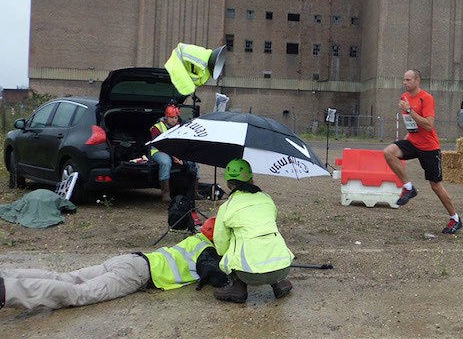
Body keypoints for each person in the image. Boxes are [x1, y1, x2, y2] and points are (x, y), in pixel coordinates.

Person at [0, 217, 226, 310]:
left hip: (129, 260)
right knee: (79, 294)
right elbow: (217, 277)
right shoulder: (207, 252)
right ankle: (6, 290)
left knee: (65, 277)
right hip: (137, 275)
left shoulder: (194, 239)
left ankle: (7, 275)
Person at [383, 69, 463, 234]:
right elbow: (411, 124)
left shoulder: (426, 98)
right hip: (413, 142)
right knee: (389, 152)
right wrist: (407, 137)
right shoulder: (404, 98)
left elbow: (428, 125)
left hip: (429, 148)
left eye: (408, 80)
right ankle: (408, 187)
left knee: (436, 186)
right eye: (404, 80)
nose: (405, 83)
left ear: (418, 80)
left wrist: (410, 110)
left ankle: (455, 218)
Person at [212, 158, 294, 303]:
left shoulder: (227, 206)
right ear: (251, 178)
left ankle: (238, 287)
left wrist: (227, 261)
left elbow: (220, 241)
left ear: (228, 183)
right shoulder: (266, 198)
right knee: (264, 235)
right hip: (283, 268)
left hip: (248, 274)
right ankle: (278, 283)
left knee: (236, 243)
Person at [150, 104, 197, 202]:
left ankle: (194, 191)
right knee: (166, 163)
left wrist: (182, 157)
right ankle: (165, 194)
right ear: (166, 117)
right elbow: (160, 145)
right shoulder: (157, 128)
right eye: (171, 117)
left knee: (194, 161)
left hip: (175, 152)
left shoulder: (180, 126)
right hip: (159, 151)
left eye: (175, 117)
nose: (174, 120)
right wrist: (175, 157)